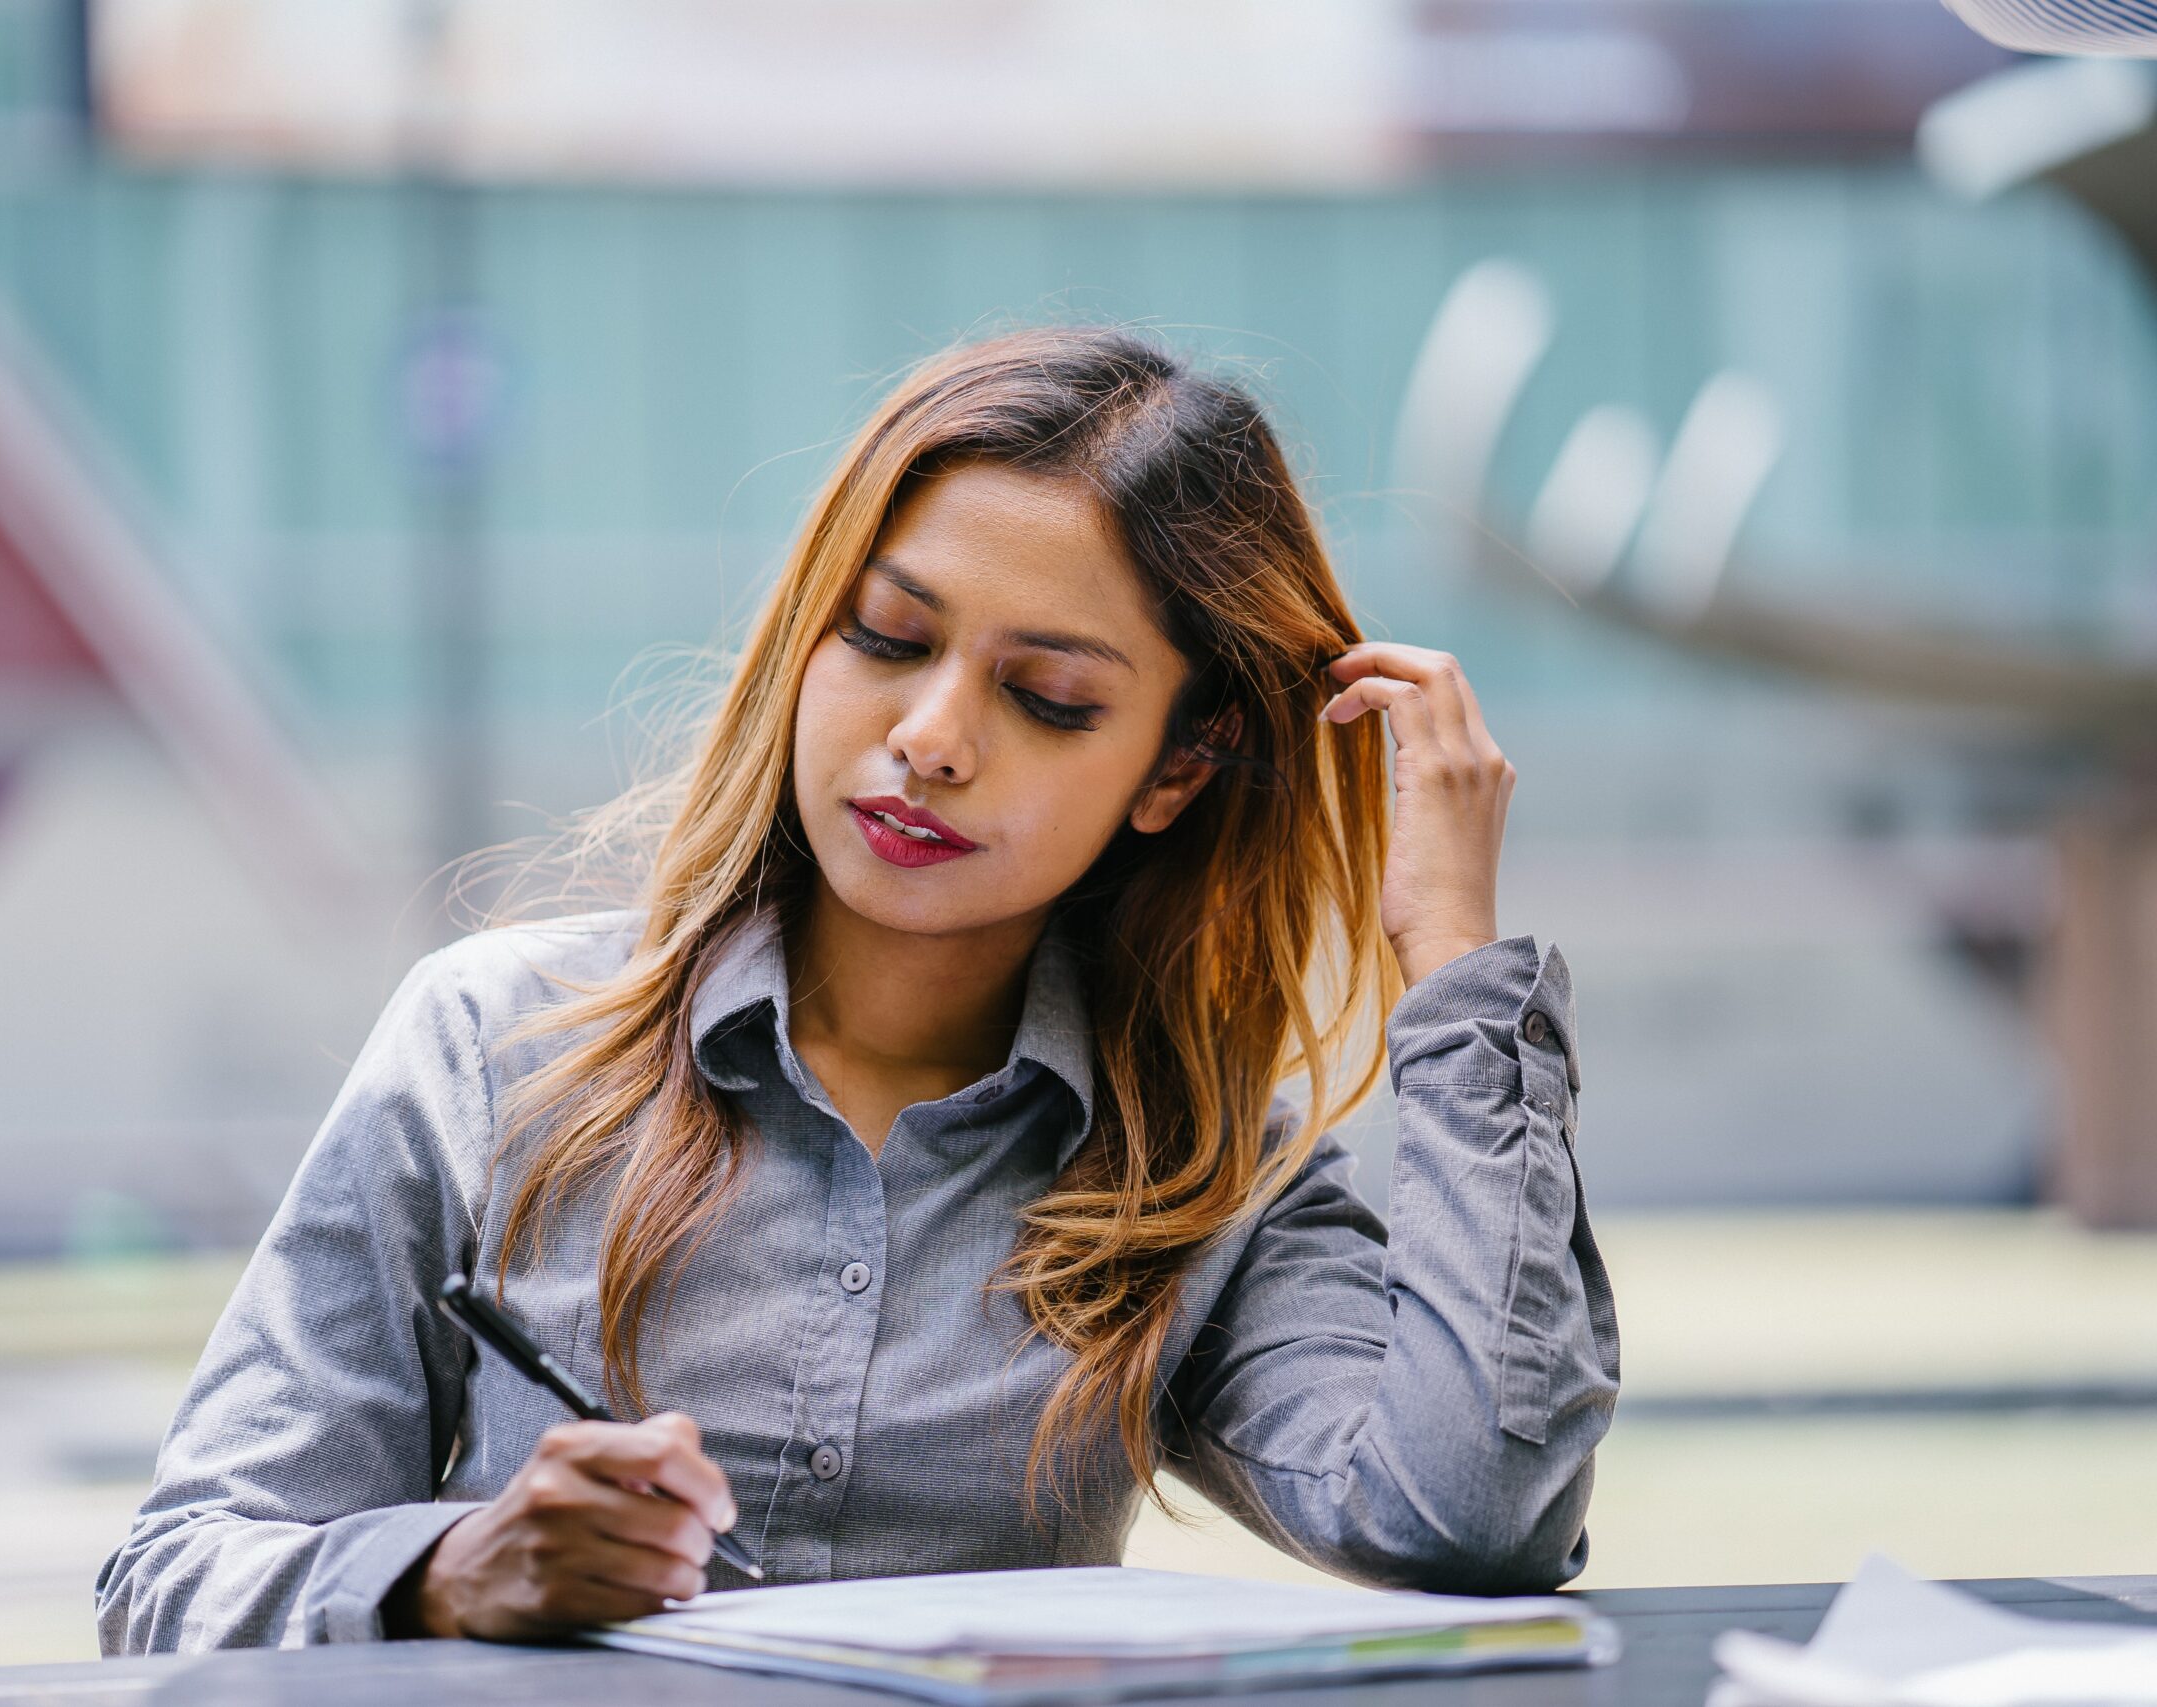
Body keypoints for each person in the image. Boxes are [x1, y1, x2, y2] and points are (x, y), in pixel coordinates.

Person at [94, 325, 1620, 1652]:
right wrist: (454, 1570)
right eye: (887, 637)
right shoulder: (492, 1049)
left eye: (1050, 699)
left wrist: (1459, 970)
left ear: (1175, 768)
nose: (932, 736)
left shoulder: (1207, 1177)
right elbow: (173, 1576)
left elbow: (1469, 1518)